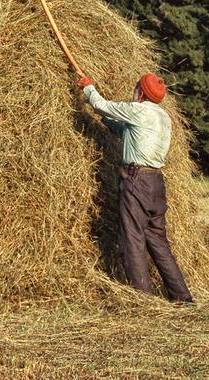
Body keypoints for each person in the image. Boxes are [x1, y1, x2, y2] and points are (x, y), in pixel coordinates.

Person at [78, 73, 193, 303]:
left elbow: (101, 105)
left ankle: (144, 300)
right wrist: (108, 123)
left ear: (140, 92)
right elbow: (129, 133)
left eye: (135, 88)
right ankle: (182, 297)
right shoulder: (163, 117)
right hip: (156, 184)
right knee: (158, 240)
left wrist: (88, 88)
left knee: (133, 237)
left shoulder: (138, 110)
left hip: (136, 181)